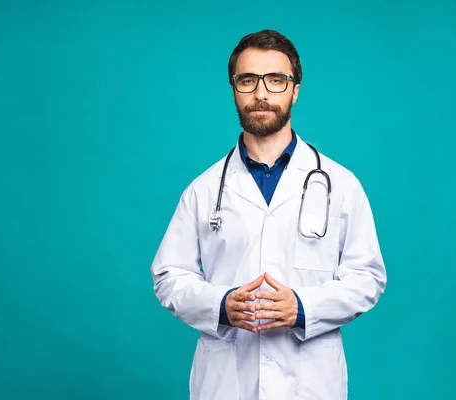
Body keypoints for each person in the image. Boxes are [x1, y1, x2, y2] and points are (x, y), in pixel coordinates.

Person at [150, 29, 387, 400]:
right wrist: (221, 306)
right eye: (248, 80)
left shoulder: (342, 184)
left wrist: (304, 307)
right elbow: (168, 276)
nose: (261, 93)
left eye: (276, 80)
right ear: (233, 89)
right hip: (226, 382)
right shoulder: (203, 190)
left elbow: (367, 277)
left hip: (311, 383)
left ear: (295, 89)